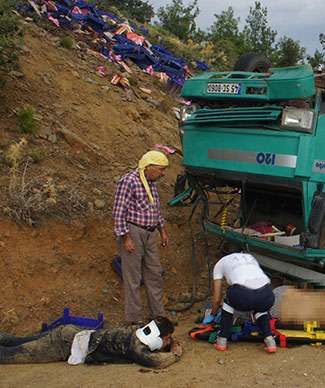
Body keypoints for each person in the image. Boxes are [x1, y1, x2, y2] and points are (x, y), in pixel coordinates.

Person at [113, 150, 170, 324]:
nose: (163, 173)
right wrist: (126, 238)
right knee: (133, 278)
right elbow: (118, 212)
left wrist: (162, 230)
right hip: (134, 232)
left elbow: (154, 209)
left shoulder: (151, 183)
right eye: (160, 169)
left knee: (154, 274)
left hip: (150, 232)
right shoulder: (129, 181)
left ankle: (158, 316)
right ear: (149, 166)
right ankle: (134, 320)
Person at [0, 317, 182, 368]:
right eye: (167, 339)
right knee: (11, 354)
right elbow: (156, 361)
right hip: (65, 343)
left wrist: (168, 340)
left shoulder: (136, 330)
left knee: (15, 341)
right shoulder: (136, 346)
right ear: (161, 337)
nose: (167, 342)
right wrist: (175, 352)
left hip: (71, 335)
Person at [210, 253, 277, 353]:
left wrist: (212, 315)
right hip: (267, 295)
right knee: (260, 307)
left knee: (228, 299)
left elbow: (216, 299)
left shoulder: (220, 263)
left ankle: (221, 340)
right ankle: (270, 341)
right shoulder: (250, 257)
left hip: (243, 296)